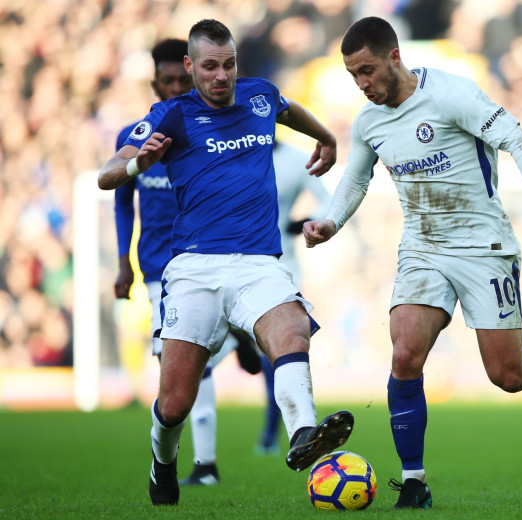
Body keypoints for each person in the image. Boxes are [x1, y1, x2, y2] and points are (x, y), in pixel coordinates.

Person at [303, 16, 522, 509]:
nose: (363, 84)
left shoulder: (452, 94)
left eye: (367, 70)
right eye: (353, 76)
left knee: (507, 376)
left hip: (483, 246)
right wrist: (330, 222)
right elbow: (355, 179)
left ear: (394, 57)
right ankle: (414, 482)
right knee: (404, 355)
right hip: (422, 249)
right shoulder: (369, 123)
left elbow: (518, 139)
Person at [99, 19, 353, 506]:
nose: (222, 76)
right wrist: (139, 162)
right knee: (174, 404)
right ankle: (164, 462)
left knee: (292, 328)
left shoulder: (258, 96)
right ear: (191, 67)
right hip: (194, 268)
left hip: (258, 262)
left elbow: (286, 108)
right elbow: (107, 178)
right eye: (211, 67)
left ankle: (303, 434)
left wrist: (326, 137)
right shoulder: (170, 115)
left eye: (229, 64)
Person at [113, 38, 265, 488]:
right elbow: (121, 203)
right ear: (156, 82)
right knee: (181, 364)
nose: (177, 87)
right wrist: (123, 262)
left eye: (183, 80)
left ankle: (205, 464)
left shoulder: (210, 129)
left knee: (181, 363)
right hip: (159, 268)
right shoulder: (138, 136)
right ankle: (236, 343)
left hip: (206, 259)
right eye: (169, 82)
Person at [247, 140, 333, 456]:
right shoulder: (224, 151)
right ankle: (242, 346)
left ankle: (278, 431)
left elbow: (328, 200)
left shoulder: (297, 159)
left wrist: (305, 222)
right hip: (227, 264)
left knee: (281, 350)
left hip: (281, 264)